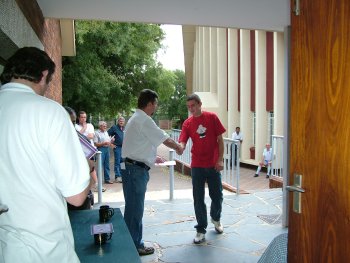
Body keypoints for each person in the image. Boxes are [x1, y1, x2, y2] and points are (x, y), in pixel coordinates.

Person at [0, 47, 92, 262]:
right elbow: (77, 196)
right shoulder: (49, 112)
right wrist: (87, 167)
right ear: (43, 75)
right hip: (44, 248)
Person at [121, 89, 183, 255]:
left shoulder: (136, 118)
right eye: (155, 104)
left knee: (132, 207)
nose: (156, 107)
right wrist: (178, 146)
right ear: (149, 104)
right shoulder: (144, 119)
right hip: (135, 171)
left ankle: (130, 242)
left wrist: (151, 158)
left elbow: (138, 144)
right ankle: (135, 246)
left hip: (130, 168)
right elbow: (165, 139)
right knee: (136, 209)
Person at [178, 93, 226, 244]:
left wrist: (219, 159)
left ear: (199, 104)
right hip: (197, 165)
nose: (191, 109)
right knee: (198, 199)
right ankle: (200, 229)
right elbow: (183, 141)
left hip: (213, 164)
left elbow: (220, 140)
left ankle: (216, 218)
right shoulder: (187, 123)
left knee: (217, 195)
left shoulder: (212, 117)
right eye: (188, 107)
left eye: (193, 105)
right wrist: (180, 147)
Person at [65, 106, 106, 194]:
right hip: (79, 151)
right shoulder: (75, 126)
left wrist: (82, 135)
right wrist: (83, 129)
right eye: (82, 117)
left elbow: (90, 136)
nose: (84, 119)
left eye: (85, 117)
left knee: (91, 168)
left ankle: (97, 185)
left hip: (89, 150)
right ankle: (86, 187)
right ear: (78, 118)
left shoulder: (90, 125)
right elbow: (76, 136)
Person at [108, 116, 125, 183]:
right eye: (120, 121)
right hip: (117, 147)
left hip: (124, 148)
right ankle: (117, 176)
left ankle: (123, 175)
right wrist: (110, 143)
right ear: (118, 121)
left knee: (123, 162)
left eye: (122, 121)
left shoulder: (124, 128)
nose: (121, 122)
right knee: (117, 162)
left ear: (124, 122)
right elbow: (106, 135)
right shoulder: (114, 127)